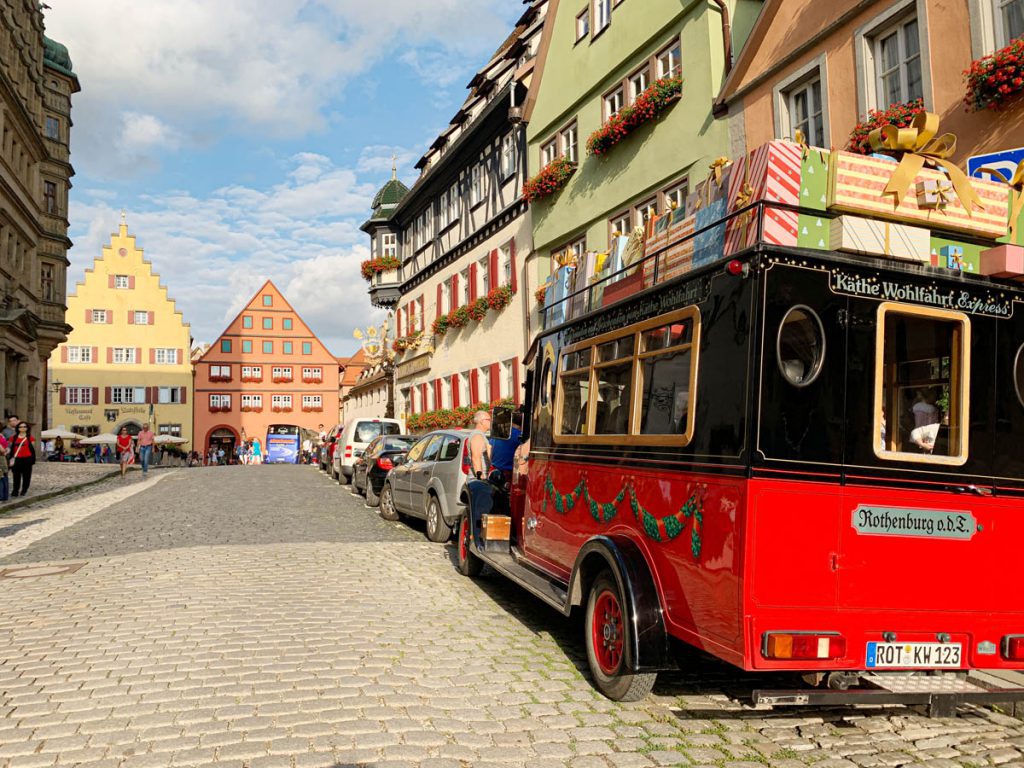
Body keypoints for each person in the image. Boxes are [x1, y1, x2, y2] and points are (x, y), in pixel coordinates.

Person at [490, 410, 523, 483]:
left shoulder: (499, 432)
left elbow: (490, 448)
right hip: (509, 473)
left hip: (494, 470)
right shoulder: (520, 436)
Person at [9, 422, 36, 497]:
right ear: (18, 428)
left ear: (27, 428)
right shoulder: (13, 438)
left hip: (27, 459)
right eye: (20, 427)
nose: (22, 428)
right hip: (17, 459)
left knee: (26, 476)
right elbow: (10, 448)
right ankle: (15, 491)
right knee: (16, 476)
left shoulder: (30, 437)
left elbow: (32, 449)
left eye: (24, 426)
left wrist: (32, 459)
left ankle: (24, 490)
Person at [468, 410, 492, 480]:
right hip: (479, 478)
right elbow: (476, 458)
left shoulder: (480, 435)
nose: (491, 421)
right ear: (481, 421)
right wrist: (481, 479)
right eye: (489, 419)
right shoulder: (477, 435)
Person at [0, 433, 9, 502]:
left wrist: (4, 451)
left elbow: (3, 450)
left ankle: (1, 495)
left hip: (1, 458)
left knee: (1, 477)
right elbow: (7, 448)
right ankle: (4, 496)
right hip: (3, 458)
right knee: (4, 476)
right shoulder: (2, 435)